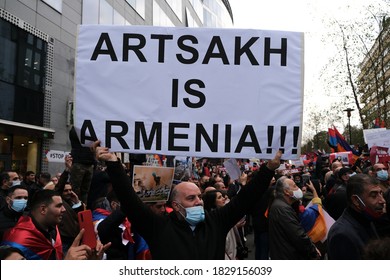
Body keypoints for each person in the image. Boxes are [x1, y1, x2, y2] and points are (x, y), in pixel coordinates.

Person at [94, 141, 280, 259]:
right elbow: (130, 200)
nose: (199, 201)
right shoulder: (157, 226)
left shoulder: (215, 222)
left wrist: (269, 168)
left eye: (199, 196)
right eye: (191, 198)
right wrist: (112, 162)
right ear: (176, 205)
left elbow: (246, 199)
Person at [1, 189, 110, 260]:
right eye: (59, 206)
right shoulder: (15, 241)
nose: (64, 210)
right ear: (43, 209)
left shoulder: (52, 229)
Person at [327, 174, 385, 259]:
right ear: (356, 200)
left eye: (381, 193)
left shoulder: (367, 219)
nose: (382, 200)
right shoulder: (342, 235)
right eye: (373, 195)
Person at [268, 176, 320, 260]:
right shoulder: (283, 209)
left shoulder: (281, 205)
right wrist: (312, 250)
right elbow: (298, 235)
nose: (298, 188)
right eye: (295, 186)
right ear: (286, 192)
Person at [69, 126, 96, 204]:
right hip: (79, 162)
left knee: (86, 190)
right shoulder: (75, 129)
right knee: (75, 189)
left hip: (89, 162)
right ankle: (74, 207)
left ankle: (83, 206)